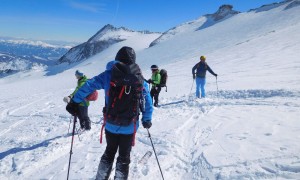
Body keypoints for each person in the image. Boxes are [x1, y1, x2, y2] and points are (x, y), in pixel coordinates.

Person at [69, 46, 153, 180]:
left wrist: (74, 101)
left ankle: (101, 178)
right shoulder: (139, 78)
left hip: (111, 124)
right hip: (130, 126)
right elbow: (147, 100)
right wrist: (147, 119)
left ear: (117, 59)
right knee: (124, 157)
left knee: (109, 152)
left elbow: (89, 85)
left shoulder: (109, 74)